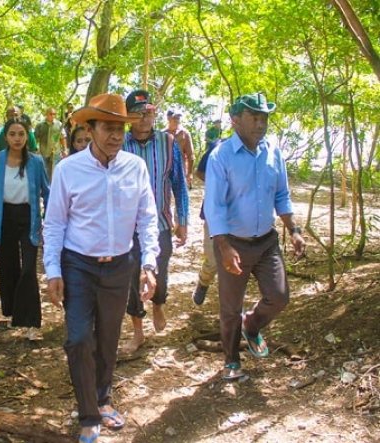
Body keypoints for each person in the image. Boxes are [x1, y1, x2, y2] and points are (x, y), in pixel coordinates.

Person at [43, 93, 160, 443]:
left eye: (120, 129)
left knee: (108, 339)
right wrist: (53, 271)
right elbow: (54, 224)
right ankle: (88, 414)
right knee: (79, 339)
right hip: (78, 265)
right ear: (90, 128)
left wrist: (149, 263)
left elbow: (147, 217)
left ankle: (103, 399)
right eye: (107, 128)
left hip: (120, 266)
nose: (115, 136)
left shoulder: (135, 167)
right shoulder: (68, 169)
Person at [203, 93, 306, 380]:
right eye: (254, 117)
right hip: (233, 243)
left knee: (279, 296)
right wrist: (222, 246)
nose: (260, 124)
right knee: (230, 307)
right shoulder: (221, 156)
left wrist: (294, 230)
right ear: (236, 120)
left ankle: (252, 325)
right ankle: (232, 359)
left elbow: (282, 195)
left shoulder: (273, 152)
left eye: (264, 118)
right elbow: (215, 206)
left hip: (266, 242)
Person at [122, 90, 190, 354]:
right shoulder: (120, 144)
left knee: (159, 269)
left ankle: (158, 303)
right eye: (138, 114)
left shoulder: (168, 143)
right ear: (128, 118)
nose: (144, 118)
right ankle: (138, 332)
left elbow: (179, 184)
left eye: (148, 112)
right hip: (127, 227)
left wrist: (182, 220)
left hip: (161, 222)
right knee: (131, 276)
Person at [0, 118, 49, 341]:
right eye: (12, 134)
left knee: (29, 269)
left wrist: (49, 221)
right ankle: (13, 312)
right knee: (7, 267)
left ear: (27, 136)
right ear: (5, 136)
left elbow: (46, 192)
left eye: (21, 134)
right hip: (4, 218)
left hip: (29, 218)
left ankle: (32, 322)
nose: (17, 138)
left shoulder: (36, 162)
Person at [191, 137, 225, 306]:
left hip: (239, 218)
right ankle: (203, 282)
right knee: (213, 260)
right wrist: (218, 183)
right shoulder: (218, 147)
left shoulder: (258, 150)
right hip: (214, 213)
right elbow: (200, 171)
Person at [163, 109, 195, 189]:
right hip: (164, 170)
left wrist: (190, 173)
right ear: (168, 118)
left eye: (178, 118)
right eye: (174, 118)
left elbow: (190, 155)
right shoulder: (162, 134)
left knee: (181, 197)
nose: (176, 120)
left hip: (180, 170)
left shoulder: (185, 134)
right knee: (165, 197)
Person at [34, 107, 66, 181]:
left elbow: (63, 138)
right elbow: (36, 138)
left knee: (54, 171)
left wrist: (65, 150)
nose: (52, 115)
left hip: (55, 152)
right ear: (46, 114)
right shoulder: (40, 125)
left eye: (54, 114)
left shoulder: (59, 124)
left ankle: (53, 188)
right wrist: (36, 149)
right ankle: (46, 188)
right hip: (43, 152)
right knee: (44, 171)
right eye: (50, 114)